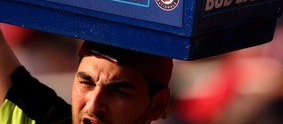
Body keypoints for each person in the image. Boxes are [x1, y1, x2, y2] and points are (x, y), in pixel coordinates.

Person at [0, 27, 173, 124]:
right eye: (86, 83)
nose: (94, 105)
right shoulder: (38, 117)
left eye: (118, 91)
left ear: (158, 104)